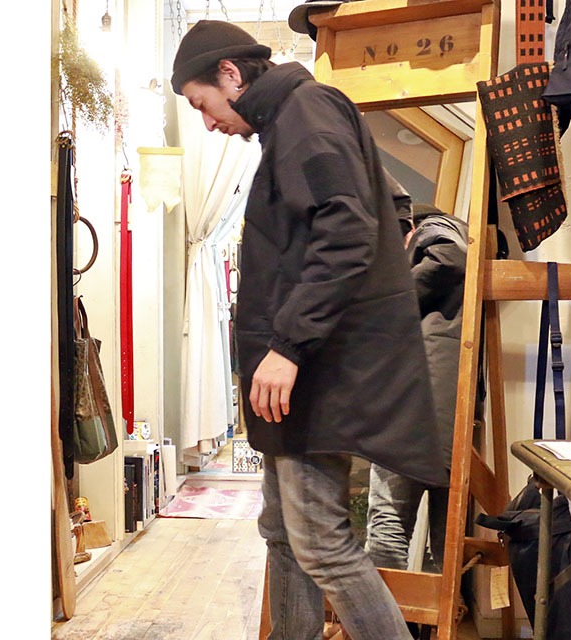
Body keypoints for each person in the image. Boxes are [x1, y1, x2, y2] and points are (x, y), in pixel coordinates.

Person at [171, 20, 448, 640]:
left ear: (230, 75)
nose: (207, 123)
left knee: (322, 544)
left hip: (315, 371)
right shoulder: (289, 120)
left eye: (202, 104)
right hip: (297, 375)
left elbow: (346, 235)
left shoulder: (306, 112)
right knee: (282, 532)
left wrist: (289, 347)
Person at [365, 202, 468, 633]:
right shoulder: (450, 250)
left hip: (412, 407)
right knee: (444, 540)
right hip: (444, 411)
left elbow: (449, 258)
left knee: (388, 522)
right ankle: (424, 630)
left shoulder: (436, 230)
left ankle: (386, 630)